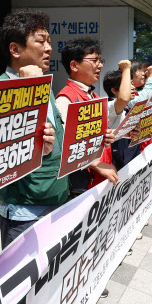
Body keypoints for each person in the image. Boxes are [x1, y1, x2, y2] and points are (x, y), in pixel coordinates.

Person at [0, 10, 65, 248]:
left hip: (56, 198)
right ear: (15, 50)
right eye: (41, 41)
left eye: (49, 42)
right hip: (24, 212)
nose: (49, 48)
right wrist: (26, 87)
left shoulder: (45, 84)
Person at [56, 37, 117, 190]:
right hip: (82, 183)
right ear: (74, 65)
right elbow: (63, 146)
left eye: (100, 60)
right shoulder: (66, 99)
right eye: (94, 60)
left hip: (98, 177)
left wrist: (109, 135)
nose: (100, 65)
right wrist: (95, 164)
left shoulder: (94, 96)